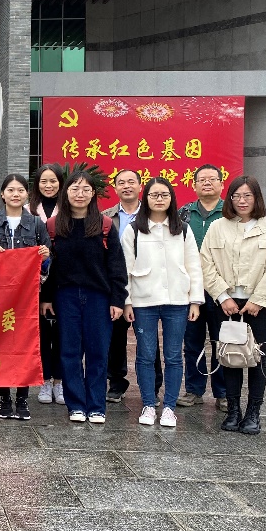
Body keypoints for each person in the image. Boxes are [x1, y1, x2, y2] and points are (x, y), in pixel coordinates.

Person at [200, 176, 266, 435]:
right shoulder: (218, 226)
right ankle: (233, 410)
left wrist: (258, 300)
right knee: (230, 356)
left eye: (247, 195)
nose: (242, 201)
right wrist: (222, 296)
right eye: (236, 195)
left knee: (257, 357)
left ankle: (253, 413)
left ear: (256, 197)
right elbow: (206, 263)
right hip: (226, 304)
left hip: (259, 305)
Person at [41, 171, 128, 424]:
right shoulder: (54, 226)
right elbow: (49, 267)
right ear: (66, 192)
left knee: (98, 352)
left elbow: (116, 266)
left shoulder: (105, 225)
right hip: (65, 296)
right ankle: (76, 405)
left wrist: (117, 300)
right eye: (75, 189)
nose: (80, 194)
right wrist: (47, 298)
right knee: (69, 352)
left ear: (93, 194)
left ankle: (97, 406)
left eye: (86, 189)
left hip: (98, 297)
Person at [122, 177, 204, 429]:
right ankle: (149, 403)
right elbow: (125, 269)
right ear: (145, 198)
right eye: (154, 195)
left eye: (164, 195)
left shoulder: (183, 229)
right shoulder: (134, 229)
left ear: (171, 198)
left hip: (177, 301)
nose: (159, 199)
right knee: (146, 355)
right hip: (143, 301)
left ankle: (169, 407)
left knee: (173, 356)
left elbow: (194, 266)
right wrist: (127, 302)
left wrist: (195, 301)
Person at [0, 173, 52, 420]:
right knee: (0, 345)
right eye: (10, 190)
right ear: (2, 194)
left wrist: (44, 257)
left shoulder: (36, 224)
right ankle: (5, 397)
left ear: (26, 194)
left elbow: (47, 261)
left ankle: (22, 398)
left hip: (26, 298)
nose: (15, 194)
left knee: (25, 346)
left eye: (20, 190)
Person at [177, 164, 228, 410]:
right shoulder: (183, 213)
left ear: (221, 184)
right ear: (194, 185)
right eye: (202, 180)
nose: (207, 183)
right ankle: (194, 390)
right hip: (190, 290)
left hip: (222, 290)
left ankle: (223, 393)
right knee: (192, 342)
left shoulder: (229, 213)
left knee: (222, 341)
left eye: (212, 179)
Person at [102, 168, 149, 404]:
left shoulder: (153, 215)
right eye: (121, 182)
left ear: (140, 186)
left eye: (131, 182)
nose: (127, 186)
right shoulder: (105, 217)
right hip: (117, 285)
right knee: (116, 338)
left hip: (146, 285)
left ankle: (153, 385)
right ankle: (116, 382)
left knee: (148, 338)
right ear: (115, 188)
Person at [28, 164, 64, 405]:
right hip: (36, 284)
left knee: (62, 336)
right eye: (44, 181)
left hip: (63, 281)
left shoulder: (69, 208)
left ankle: (59, 382)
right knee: (41, 336)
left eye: (53, 181)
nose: (48, 185)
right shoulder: (28, 211)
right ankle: (45, 380)